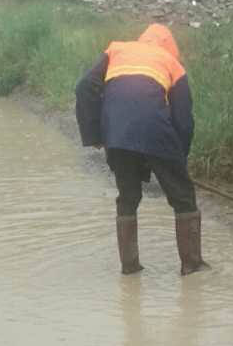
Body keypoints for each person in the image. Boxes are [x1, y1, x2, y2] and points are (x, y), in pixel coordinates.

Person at [75, 23, 209, 276]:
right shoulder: (172, 64)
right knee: (183, 198)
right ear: (170, 47)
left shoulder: (116, 50)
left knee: (127, 197)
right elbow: (183, 121)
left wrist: (96, 135)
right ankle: (192, 265)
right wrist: (178, 160)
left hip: (116, 133)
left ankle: (130, 267)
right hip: (156, 132)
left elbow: (84, 87)